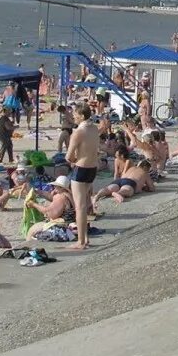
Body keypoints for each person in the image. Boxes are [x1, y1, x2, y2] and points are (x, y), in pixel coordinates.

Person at [65, 105, 100, 250]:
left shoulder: (78, 132)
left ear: (80, 115)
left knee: (79, 207)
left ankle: (81, 242)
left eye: (75, 114)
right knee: (84, 205)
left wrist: (73, 160)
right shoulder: (94, 129)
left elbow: (68, 156)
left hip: (81, 168)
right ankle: (85, 238)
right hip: (92, 168)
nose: (73, 116)